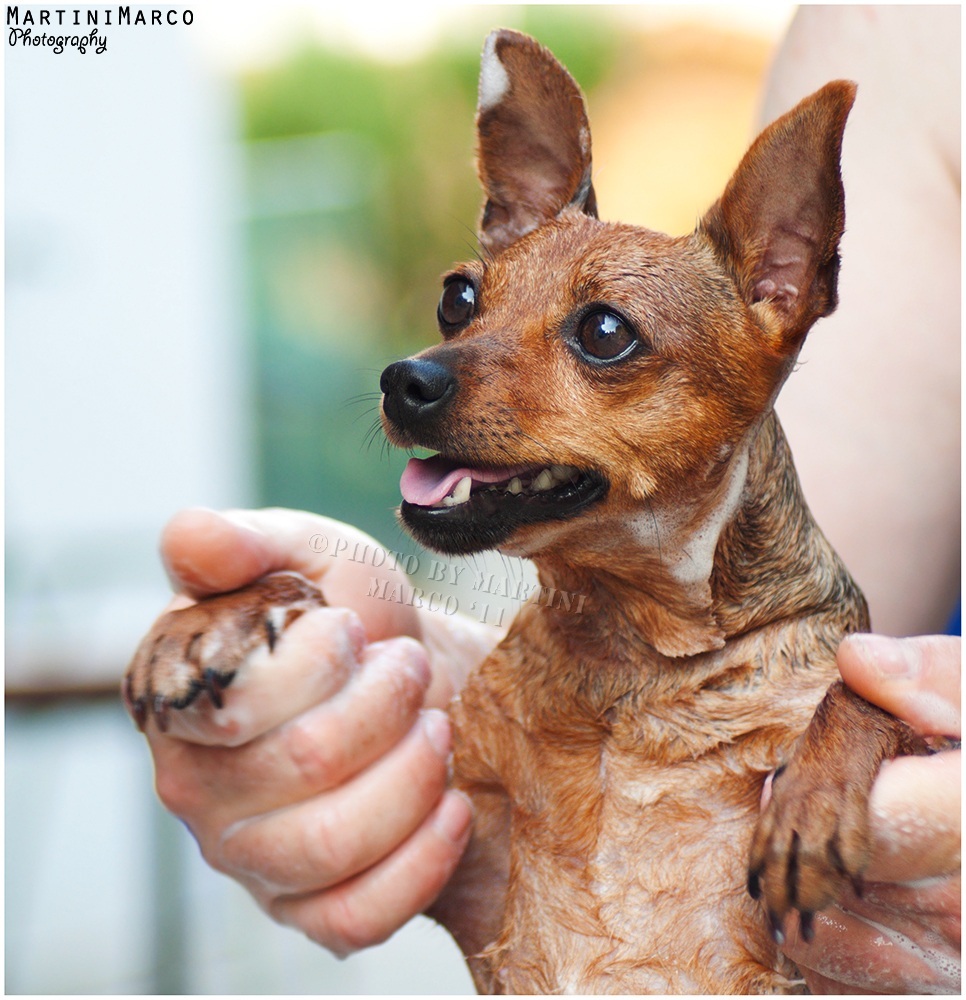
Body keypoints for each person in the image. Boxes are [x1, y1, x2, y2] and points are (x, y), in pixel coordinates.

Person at [132, 6, 960, 993]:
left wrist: (858, 735)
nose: (434, 369)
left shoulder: (812, 673)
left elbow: (849, 678)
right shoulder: (892, 28)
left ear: (780, 282)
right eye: (468, 306)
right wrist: (323, 659)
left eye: (600, 337)